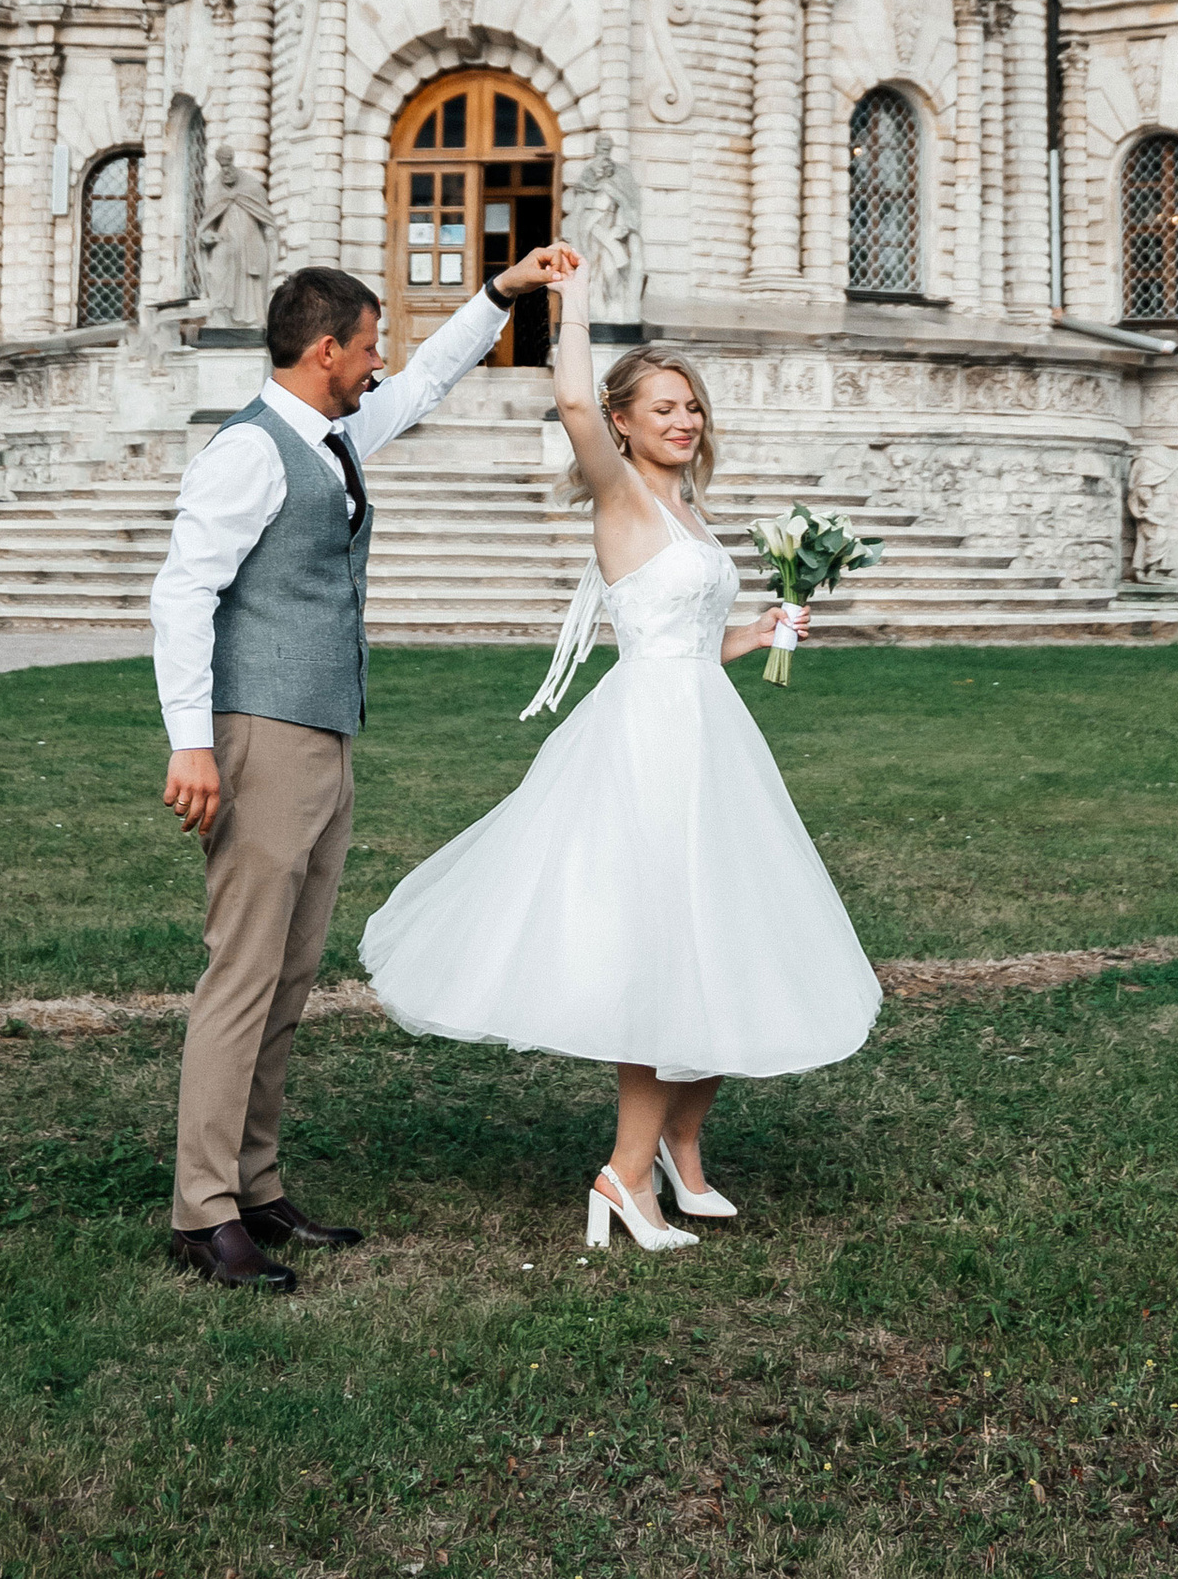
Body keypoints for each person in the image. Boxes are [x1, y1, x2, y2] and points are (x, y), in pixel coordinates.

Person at [360, 246, 880, 1253]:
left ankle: (680, 1153)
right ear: (626, 421)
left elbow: (691, 642)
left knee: (729, 940)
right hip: (645, 743)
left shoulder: (686, 509)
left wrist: (766, 631)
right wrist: (576, 298)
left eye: (691, 408)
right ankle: (624, 1176)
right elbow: (567, 405)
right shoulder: (618, 494)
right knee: (661, 956)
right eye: (661, 408)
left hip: (707, 738)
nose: (682, 422)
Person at [152, 242, 559, 1292]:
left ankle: (255, 1183)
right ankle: (202, 1212)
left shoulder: (331, 434)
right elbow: (182, 594)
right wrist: (191, 740)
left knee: (289, 973)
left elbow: (424, 385)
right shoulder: (248, 452)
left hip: (325, 729)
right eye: (369, 344)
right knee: (242, 972)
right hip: (259, 734)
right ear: (323, 349)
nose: (382, 361)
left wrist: (499, 296)